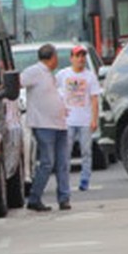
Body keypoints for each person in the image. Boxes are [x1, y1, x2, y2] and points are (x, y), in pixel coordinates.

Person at [20, 43, 70, 211]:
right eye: (56, 57)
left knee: (62, 162)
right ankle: (34, 198)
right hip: (44, 124)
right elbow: (18, 81)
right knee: (47, 163)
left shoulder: (49, 74)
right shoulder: (35, 71)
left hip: (59, 124)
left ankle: (64, 198)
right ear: (52, 57)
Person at [56, 44, 102, 191]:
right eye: (77, 56)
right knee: (65, 153)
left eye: (83, 56)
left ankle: (84, 180)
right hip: (68, 121)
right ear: (72, 58)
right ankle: (64, 182)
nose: (80, 59)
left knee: (86, 152)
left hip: (84, 120)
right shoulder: (63, 75)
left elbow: (95, 99)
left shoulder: (90, 76)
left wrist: (94, 119)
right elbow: (53, 91)